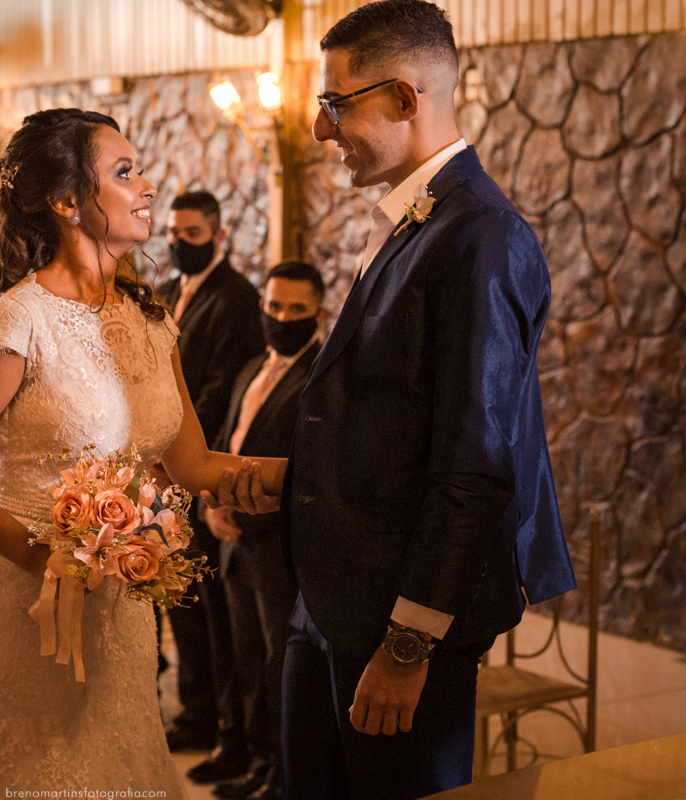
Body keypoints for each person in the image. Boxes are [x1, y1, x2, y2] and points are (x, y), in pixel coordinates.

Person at [209, 3, 578, 796]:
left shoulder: (481, 236)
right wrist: (291, 474)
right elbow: (389, 417)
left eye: (336, 104)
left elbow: (476, 463)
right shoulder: (418, 220)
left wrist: (410, 645)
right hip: (335, 598)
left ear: (407, 98)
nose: (318, 129)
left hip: (400, 618)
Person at [0, 108, 290, 800]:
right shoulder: (19, 321)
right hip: (29, 599)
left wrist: (317, 475)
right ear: (67, 202)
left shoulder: (150, 315)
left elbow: (194, 467)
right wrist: (47, 556)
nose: (147, 185)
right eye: (124, 172)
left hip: (122, 606)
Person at [203, 262, 326, 800]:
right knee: (243, 655)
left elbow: (315, 471)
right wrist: (212, 500)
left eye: (296, 310)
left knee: (284, 666)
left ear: (319, 313)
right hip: (234, 541)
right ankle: (253, 756)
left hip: (282, 548)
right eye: (274, 307)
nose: (282, 318)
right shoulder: (253, 364)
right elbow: (230, 440)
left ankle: (285, 772)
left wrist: (246, 511)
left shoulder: (324, 377)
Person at [156, 190, 265, 784]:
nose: (180, 242)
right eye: (174, 232)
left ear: (218, 237)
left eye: (193, 234)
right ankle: (195, 709)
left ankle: (229, 724)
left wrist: (177, 454)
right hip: (166, 471)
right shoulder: (170, 292)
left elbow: (221, 389)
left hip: (200, 468)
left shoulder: (238, 299)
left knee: (218, 609)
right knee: (184, 602)